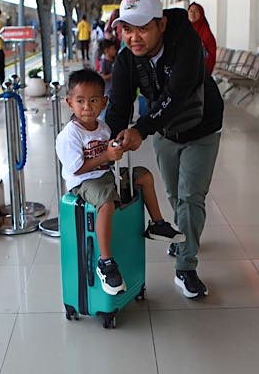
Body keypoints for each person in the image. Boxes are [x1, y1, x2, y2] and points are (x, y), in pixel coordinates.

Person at [106, 0, 224, 299]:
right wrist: (109, 139)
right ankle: (185, 235)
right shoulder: (126, 58)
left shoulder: (187, 45)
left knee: (191, 195)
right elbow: (118, 104)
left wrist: (141, 129)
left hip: (203, 128)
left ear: (162, 24)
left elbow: (178, 92)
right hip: (165, 132)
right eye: (127, 29)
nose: (134, 37)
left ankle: (186, 266)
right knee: (174, 193)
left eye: (142, 28)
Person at [56, 68, 185, 295]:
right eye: (80, 101)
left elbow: (108, 155)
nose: (87, 107)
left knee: (143, 176)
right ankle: (105, 262)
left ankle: (156, 224)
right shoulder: (70, 135)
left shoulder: (103, 128)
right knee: (107, 202)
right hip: (83, 182)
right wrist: (106, 156)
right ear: (69, 103)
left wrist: (117, 148)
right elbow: (76, 169)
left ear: (104, 102)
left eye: (94, 100)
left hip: (105, 175)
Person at [188, 2, 217, 76]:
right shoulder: (184, 29)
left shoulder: (206, 32)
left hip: (201, 69)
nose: (193, 14)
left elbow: (211, 53)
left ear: (201, 14)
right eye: (191, 11)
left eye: (196, 11)